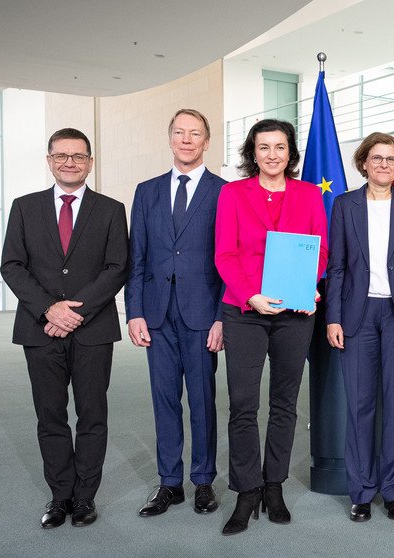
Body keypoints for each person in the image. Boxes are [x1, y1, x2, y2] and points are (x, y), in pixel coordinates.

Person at [0, 128, 128, 529]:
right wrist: (49, 310)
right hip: (40, 329)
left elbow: (117, 267)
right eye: (61, 156)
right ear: (49, 160)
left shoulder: (110, 209)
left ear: (90, 162)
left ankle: (85, 498)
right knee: (50, 416)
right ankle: (60, 497)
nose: (69, 162)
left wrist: (77, 312)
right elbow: (12, 265)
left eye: (78, 156)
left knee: (92, 415)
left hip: (92, 330)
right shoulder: (25, 207)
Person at [214, 119, 328, 535]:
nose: (273, 155)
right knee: (243, 405)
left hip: (294, 315)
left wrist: (308, 286)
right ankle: (247, 490)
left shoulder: (309, 195)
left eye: (280, 147)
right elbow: (224, 254)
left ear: (290, 152)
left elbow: (320, 250)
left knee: (284, 403)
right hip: (245, 311)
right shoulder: (232, 194)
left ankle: (274, 484)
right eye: (264, 147)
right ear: (253, 152)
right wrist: (250, 296)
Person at [325, 132, 394, 522]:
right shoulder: (344, 205)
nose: (384, 165)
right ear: (364, 163)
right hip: (357, 315)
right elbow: (336, 266)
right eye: (377, 158)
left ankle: (393, 491)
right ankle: (361, 491)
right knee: (360, 405)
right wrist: (333, 317)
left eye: (391, 159)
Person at [124, 109, 226, 518]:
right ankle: (170, 483)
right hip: (156, 316)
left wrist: (222, 316)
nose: (187, 140)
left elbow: (228, 261)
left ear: (206, 141)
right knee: (164, 400)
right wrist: (134, 312)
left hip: (203, 315)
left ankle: (202, 482)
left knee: (202, 401)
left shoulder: (224, 192)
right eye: (180, 133)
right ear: (170, 139)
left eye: (195, 134)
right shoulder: (146, 191)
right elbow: (137, 258)